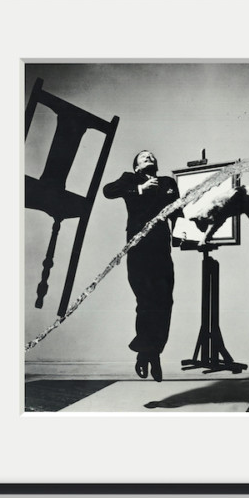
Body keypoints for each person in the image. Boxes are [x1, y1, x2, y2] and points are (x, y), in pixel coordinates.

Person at [103, 150, 181, 382]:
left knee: (165, 301)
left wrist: (185, 234)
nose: (149, 158)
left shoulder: (167, 183)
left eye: (152, 156)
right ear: (136, 166)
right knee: (146, 300)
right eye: (144, 156)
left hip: (161, 249)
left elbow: (177, 211)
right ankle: (146, 353)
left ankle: (152, 353)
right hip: (139, 248)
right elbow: (108, 191)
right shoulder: (129, 179)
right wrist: (139, 189)